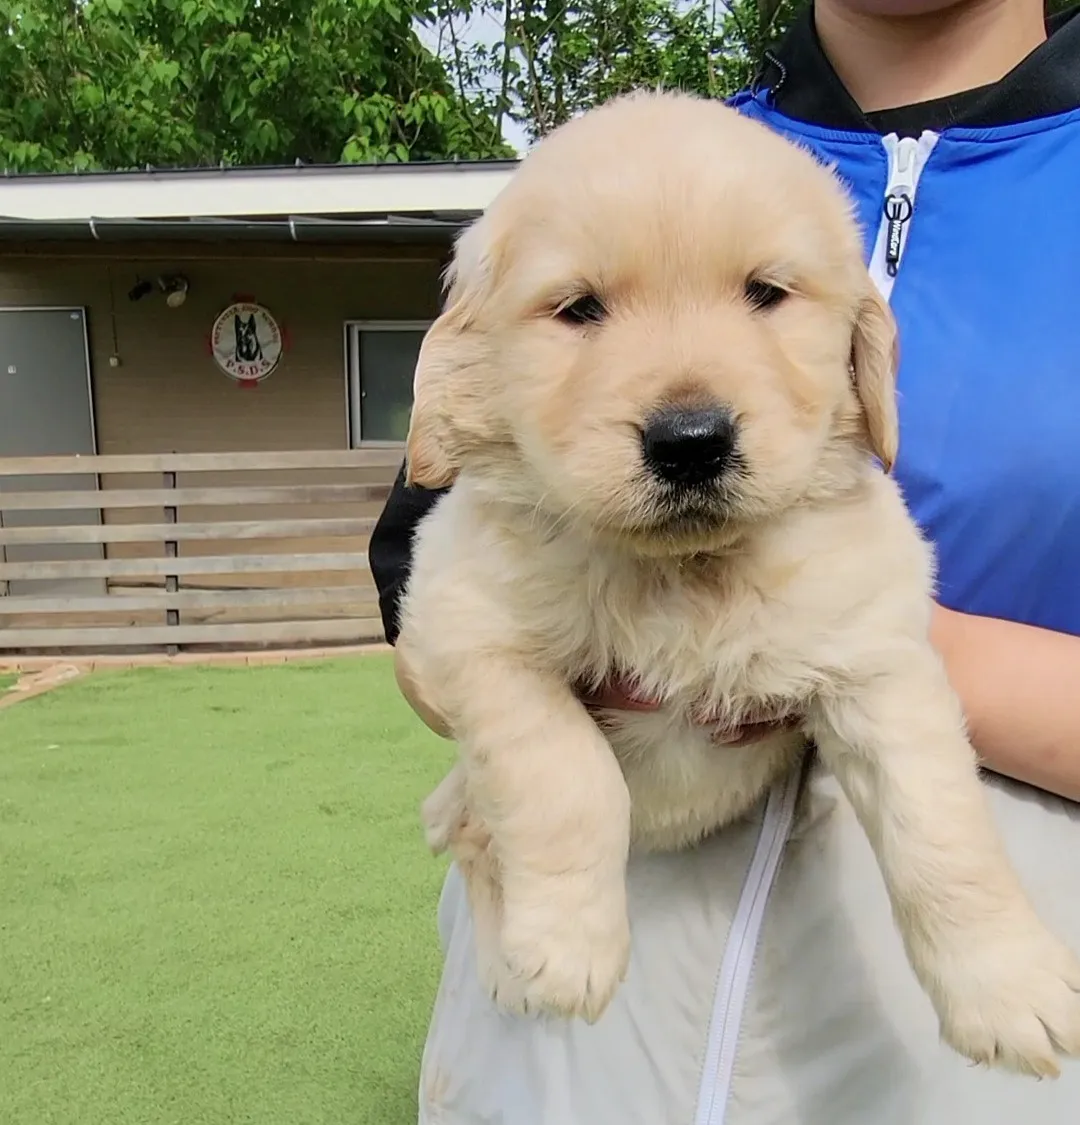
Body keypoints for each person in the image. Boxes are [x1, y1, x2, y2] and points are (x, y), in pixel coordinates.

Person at [368, 1, 1080, 1120]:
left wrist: (845, 645)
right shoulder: (627, 160)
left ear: (862, 347)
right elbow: (433, 609)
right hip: (570, 1035)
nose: (686, 408)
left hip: (952, 1063)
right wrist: (552, 801)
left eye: (765, 294)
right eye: (584, 307)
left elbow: (886, 681)